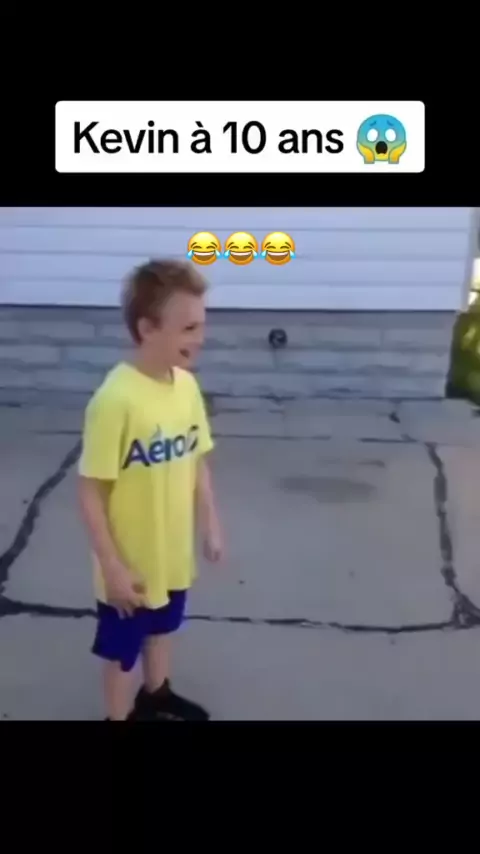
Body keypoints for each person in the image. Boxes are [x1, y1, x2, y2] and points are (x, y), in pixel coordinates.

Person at [77, 259, 224, 721]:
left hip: (171, 554)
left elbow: (196, 458)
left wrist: (210, 524)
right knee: (123, 653)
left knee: (162, 629)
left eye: (201, 326)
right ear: (147, 329)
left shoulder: (187, 387)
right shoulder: (115, 401)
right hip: (130, 564)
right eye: (188, 328)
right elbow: (90, 491)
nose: (200, 338)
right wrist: (112, 566)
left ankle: (156, 694)